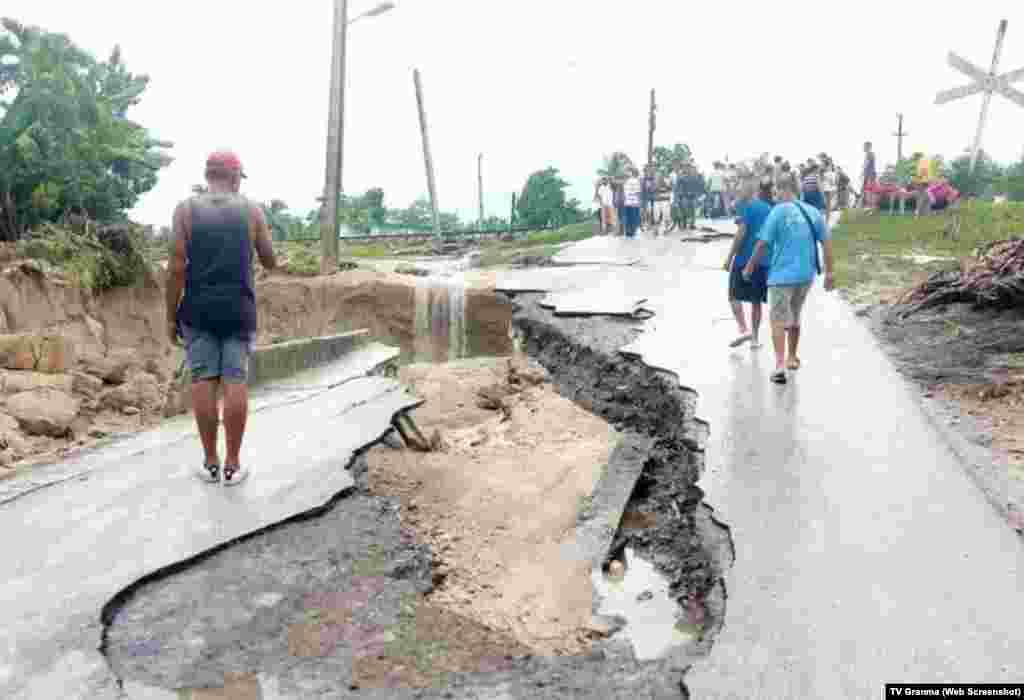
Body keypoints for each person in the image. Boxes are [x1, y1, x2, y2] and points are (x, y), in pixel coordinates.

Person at [166, 151, 277, 484]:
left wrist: (169, 316)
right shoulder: (251, 211)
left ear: (208, 175)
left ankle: (210, 462)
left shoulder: (185, 210)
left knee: (202, 379)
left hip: (197, 311)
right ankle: (233, 463)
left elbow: (175, 268)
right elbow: (270, 261)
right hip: (238, 310)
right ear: (235, 177)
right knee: (234, 380)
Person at [742, 173, 835, 385]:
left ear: (782, 188)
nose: (774, 194)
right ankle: (792, 357)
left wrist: (749, 267)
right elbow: (827, 242)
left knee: (777, 319)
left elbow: (763, 243)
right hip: (805, 275)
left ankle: (780, 365)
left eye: (776, 189)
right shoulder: (812, 212)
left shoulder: (778, 211)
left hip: (781, 276)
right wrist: (830, 273)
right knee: (795, 315)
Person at [723, 182, 773, 349]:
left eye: (740, 189)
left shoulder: (747, 207)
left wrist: (729, 257)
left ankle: (743, 328)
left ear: (748, 191)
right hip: (763, 260)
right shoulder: (768, 208)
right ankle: (754, 339)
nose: (738, 192)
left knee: (733, 296)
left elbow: (741, 234)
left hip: (743, 259)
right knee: (756, 301)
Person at [623, 167, 643, 238]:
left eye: (628, 171)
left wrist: (639, 202)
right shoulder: (625, 181)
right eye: (626, 171)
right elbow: (625, 193)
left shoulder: (635, 180)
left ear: (631, 172)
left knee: (634, 218)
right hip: (627, 202)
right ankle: (628, 233)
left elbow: (638, 192)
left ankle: (633, 232)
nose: (626, 173)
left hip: (634, 202)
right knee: (628, 218)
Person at [641, 165, 658, 230]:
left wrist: (651, 188)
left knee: (651, 211)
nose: (647, 172)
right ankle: (645, 224)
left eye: (648, 170)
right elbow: (642, 189)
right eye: (646, 171)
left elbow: (654, 188)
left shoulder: (653, 179)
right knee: (645, 212)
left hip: (652, 198)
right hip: (645, 198)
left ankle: (650, 224)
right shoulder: (642, 179)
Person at [862, 141, 878, 208]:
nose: (863, 148)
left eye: (864, 146)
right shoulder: (870, 154)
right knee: (868, 190)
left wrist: (863, 171)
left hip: (870, 174)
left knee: (869, 190)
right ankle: (869, 205)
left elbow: (867, 164)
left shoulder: (870, 154)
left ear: (868, 147)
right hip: (870, 174)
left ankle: (870, 205)